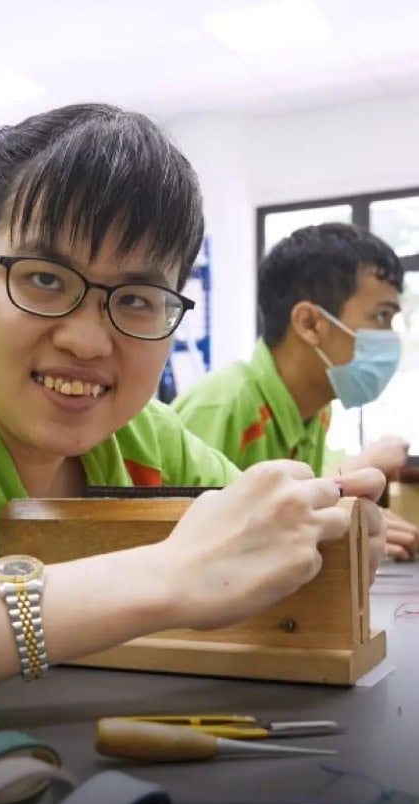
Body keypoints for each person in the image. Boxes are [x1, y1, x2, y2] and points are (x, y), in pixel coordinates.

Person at [0, 106, 385, 729]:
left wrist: (332, 538)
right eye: (44, 278)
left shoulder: (145, 439)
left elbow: (255, 540)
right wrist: (163, 576)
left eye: (134, 299)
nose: (87, 341)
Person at [173, 222, 417, 561]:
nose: (390, 338)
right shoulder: (223, 405)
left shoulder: (316, 411)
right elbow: (181, 547)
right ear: (310, 324)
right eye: (380, 316)